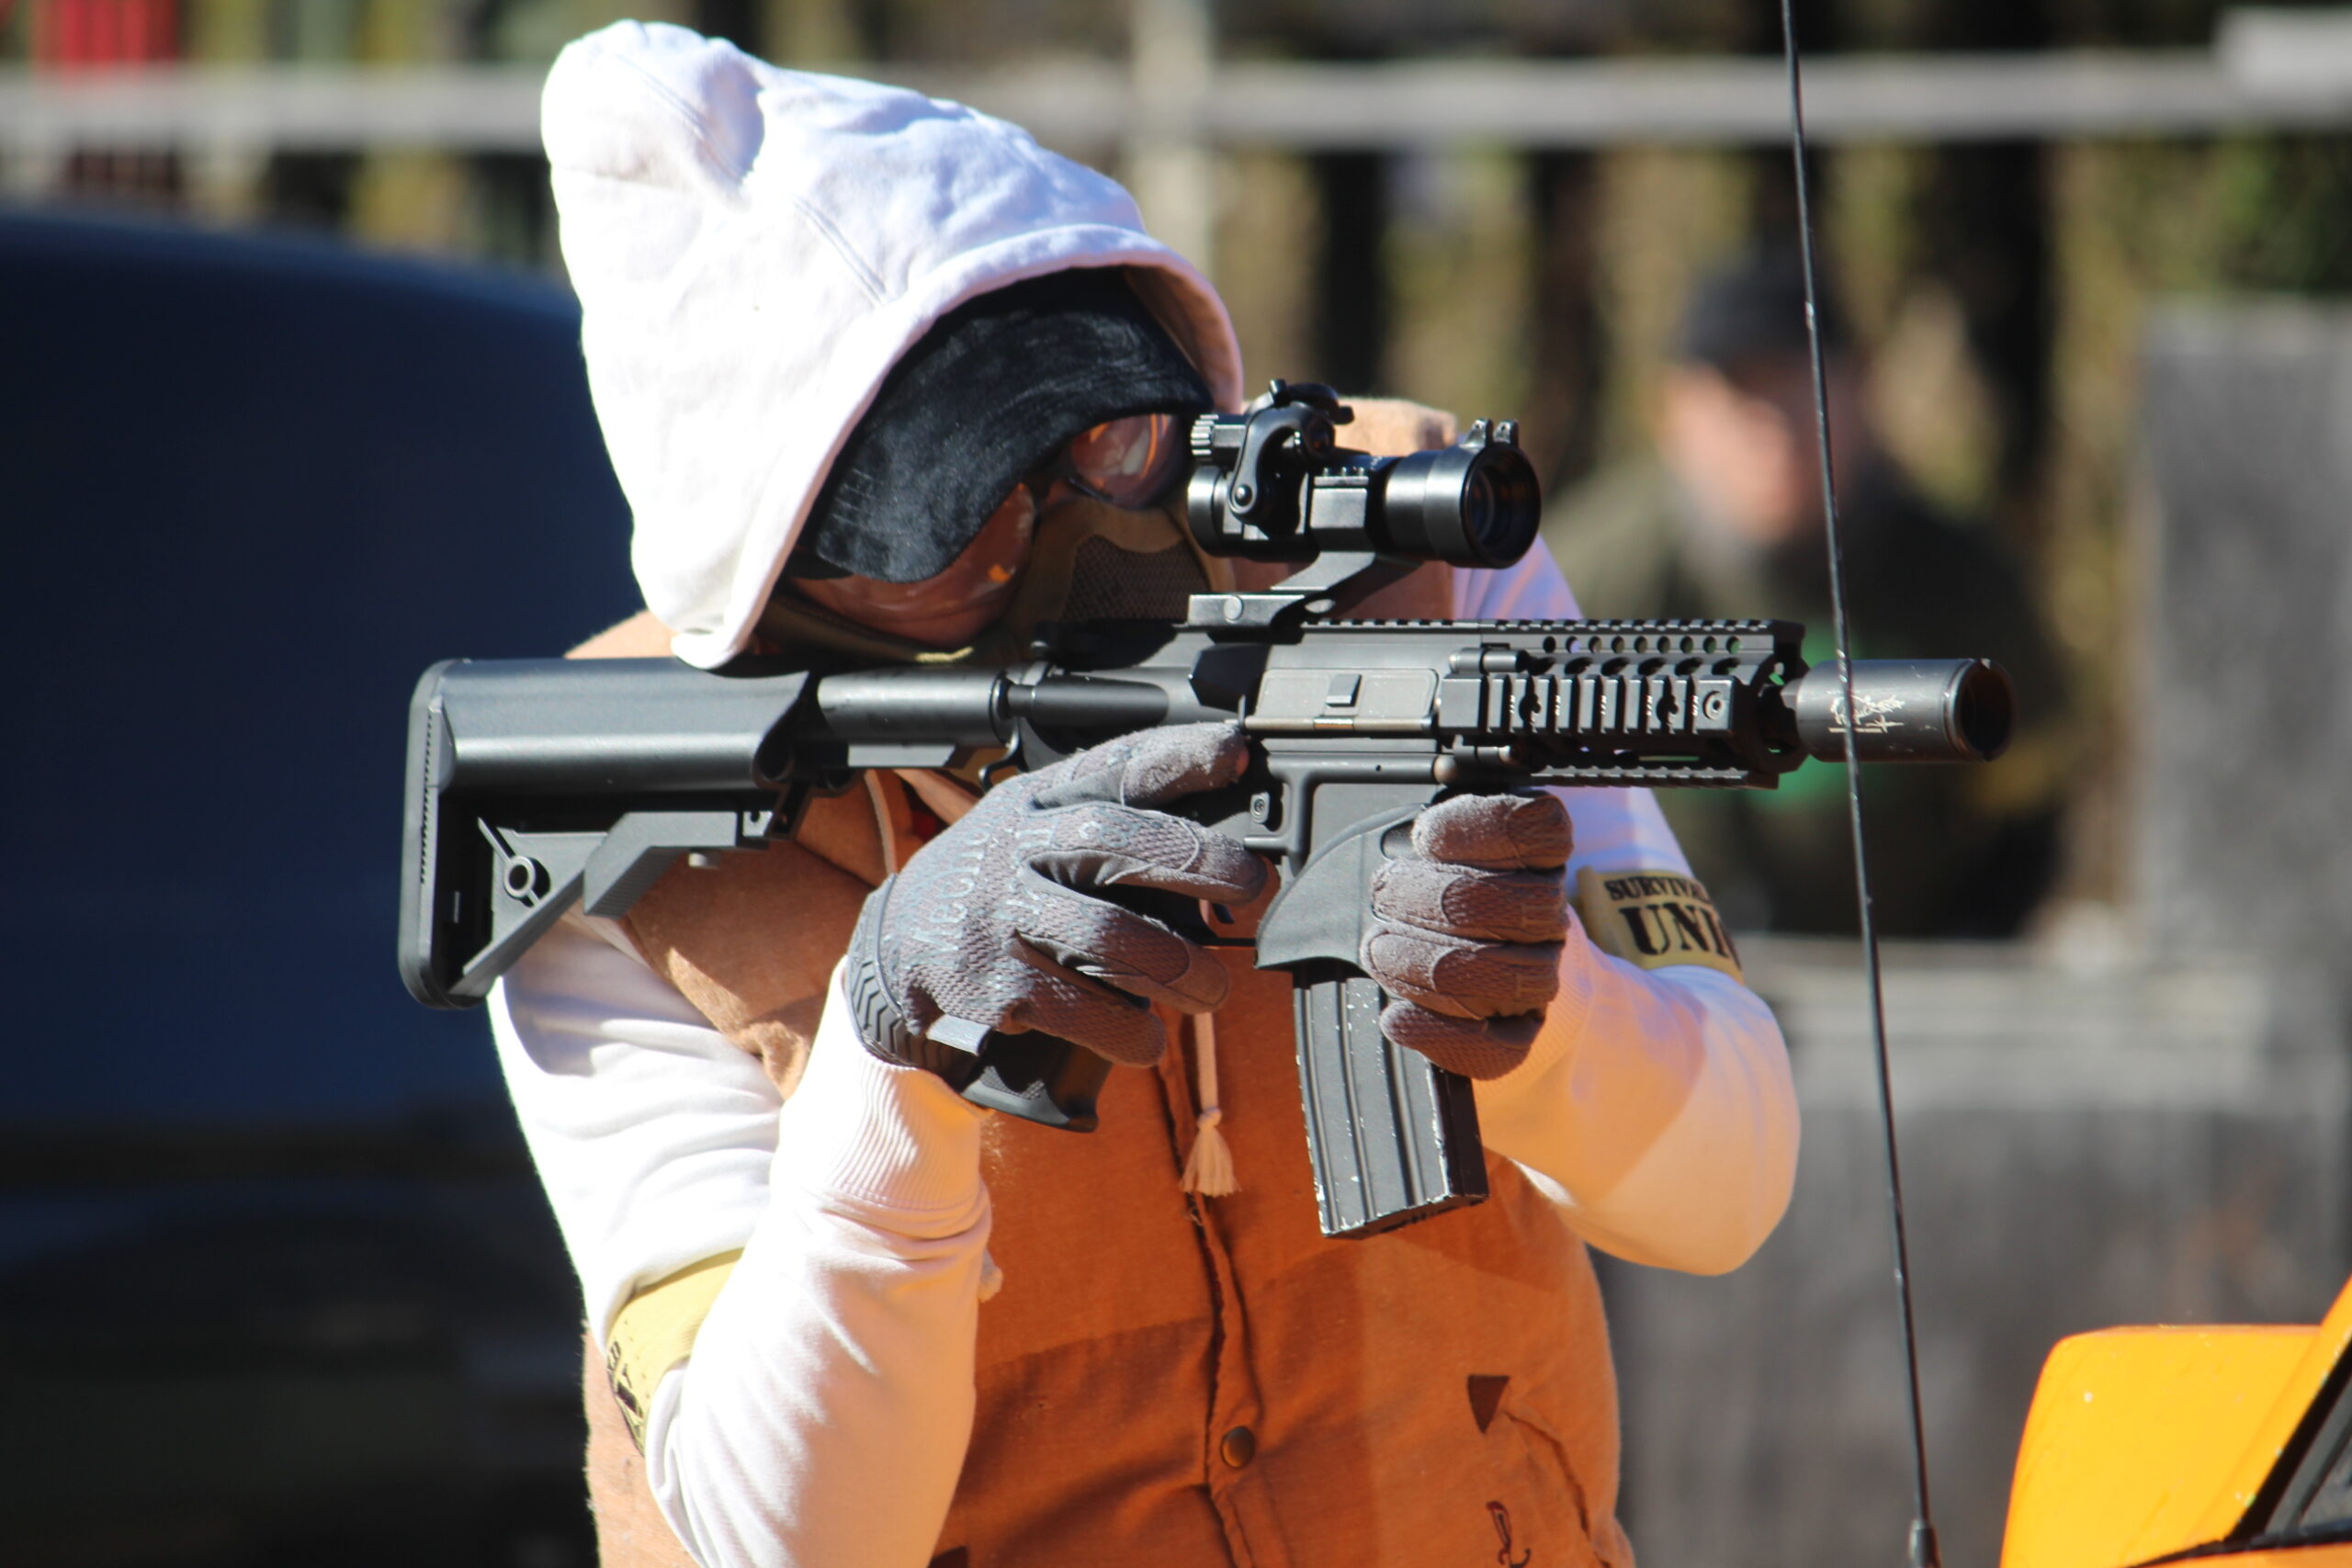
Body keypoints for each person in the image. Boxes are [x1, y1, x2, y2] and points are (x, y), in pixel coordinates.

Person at [504, 23, 1799, 1568]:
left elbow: (1730, 1187)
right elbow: (790, 1538)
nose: (1090, 545)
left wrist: (1547, 1020)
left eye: (1114, 442)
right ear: (791, 588)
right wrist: (891, 1041)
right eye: (960, 527)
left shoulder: (1409, 565)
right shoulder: (617, 826)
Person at [1547, 251, 2069, 937]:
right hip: (1649, 976)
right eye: (1741, 395)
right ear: (1672, 412)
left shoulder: (1961, 580)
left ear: (1865, 389)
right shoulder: (1583, 580)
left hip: (1905, 967)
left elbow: (2032, 790)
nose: (1775, 429)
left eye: (1801, 388)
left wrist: (1965, 943)